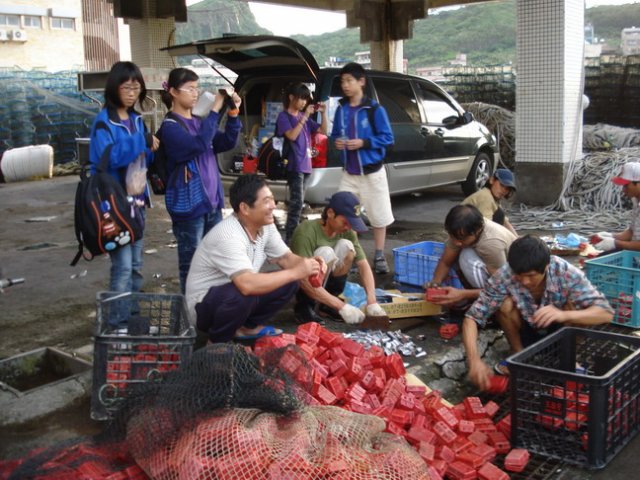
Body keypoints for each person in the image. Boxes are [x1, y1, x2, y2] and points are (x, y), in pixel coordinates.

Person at [462, 235, 613, 390]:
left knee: (575, 305)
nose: (525, 281)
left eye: (531, 276)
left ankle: (568, 358)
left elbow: (606, 313)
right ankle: (518, 354)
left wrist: (563, 315)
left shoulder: (566, 272)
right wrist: (474, 360)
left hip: (561, 331)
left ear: (546, 267)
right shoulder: (505, 274)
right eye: (519, 275)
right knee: (504, 304)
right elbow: (472, 317)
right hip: (526, 328)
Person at [185, 174, 322, 343]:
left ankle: (246, 328)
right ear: (245, 208)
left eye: (272, 199)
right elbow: (247, 284)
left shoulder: (266, 225)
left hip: (233, 294)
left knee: (290, 282)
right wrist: (297, 271)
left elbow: (286, 258)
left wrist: (308, 264)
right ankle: (217, 342)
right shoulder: (228, 235)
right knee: (243, 292)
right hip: (202, 308)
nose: (273, 205)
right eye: (266, 201)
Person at [158, 68, 242, 293]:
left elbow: (225, 143)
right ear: (174, 92)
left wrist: (233, 115)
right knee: (192, 263)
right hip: (190, 205)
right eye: (190, 89)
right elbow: (199, 145)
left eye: (197, 88)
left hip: (211, 202)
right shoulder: (170, 127)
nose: (195, 93)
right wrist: (215, 108)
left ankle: (208, 311)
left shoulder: (197, 121)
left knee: (213, 262)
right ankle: (190, 315)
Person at [88, 61, 159, 296]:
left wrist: (150, 150)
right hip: (113, 205)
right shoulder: (103, 122)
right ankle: (117, 323)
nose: (131, 94)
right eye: (126, 88)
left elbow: (142, 161)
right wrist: (142, 142)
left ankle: (132, 316)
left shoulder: (137, 120)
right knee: (123, 266)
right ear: (114, 88)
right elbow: (107, 158)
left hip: (137, 202)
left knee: (136, 265)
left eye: (136, 88)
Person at [330, 62, 395, 274]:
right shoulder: (341, 109)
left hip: (372, 172)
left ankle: (378, 254)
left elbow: (387, 137)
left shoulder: (374, 109)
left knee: (379, 215)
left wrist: (364, 143)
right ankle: (354, 254)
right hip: (349, 171)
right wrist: (337, 142)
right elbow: (335, 135)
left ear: (361, 82)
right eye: (342, 81)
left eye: (349, 80)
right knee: (345, 213)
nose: (345, 85)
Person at [290, 191, 389, 325]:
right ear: (330, 213)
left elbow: (363, 265)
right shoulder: (306, 232)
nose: (348, 227)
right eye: (345, 222)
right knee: (326, 252)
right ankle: (304, 307)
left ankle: (327, 305)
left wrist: (371, 301)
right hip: (301, 283)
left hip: (322, 282)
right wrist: (341, 306)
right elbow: (302, 279)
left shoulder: (347, 232)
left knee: (347, 247)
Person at [428, 204, 517, 307]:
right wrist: (435, 283)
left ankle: (485, 306)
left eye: (461, 239)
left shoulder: (491, 243)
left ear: (478, 230)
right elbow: (445, 262)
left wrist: (463, 295)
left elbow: (501, 288)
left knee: (466, 256)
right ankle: (472, 299)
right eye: (453, 237)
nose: (456, 242)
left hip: (512, 283)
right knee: (457, 254)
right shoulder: (460, 232)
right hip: (499, 277)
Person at [276, 82, 328, 243]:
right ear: (291, 97)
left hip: (306, 165)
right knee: (296, 202)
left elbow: (323, 131)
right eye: (301, 98)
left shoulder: (301, 117)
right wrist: (305, 117)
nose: (304, 102)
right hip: (294, 165)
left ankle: (294, 236)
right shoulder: (284, 116)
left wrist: (324, 114)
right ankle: (290, 238)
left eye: (306, 99)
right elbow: (291, 136)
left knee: (299, 203)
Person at [592, 162, 640, 252]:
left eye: (626, 185)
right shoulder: (636, 201)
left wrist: (615, 243)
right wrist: (610, 236)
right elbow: (631, 232)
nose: (623, 190)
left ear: (638, 183)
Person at [461, 168, 518, 236]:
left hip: (468, 230)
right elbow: (487, 227)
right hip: (461, 233)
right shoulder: (486, 196)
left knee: (500, 215)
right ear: (492, 180)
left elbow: (504, 221)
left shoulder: (494, 198)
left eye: (507, 189)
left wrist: (516, 238)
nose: (504, 190)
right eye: (501, 185)